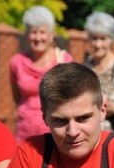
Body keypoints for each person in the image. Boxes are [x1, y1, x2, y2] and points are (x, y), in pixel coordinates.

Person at [10, 5, 73, 142]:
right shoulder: (17, 62)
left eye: (42, 32)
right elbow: (16, 97)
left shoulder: (64, 61)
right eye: (33, 32)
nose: (38, 37)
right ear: (26, 34)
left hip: (56, 133)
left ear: (51, 35)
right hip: (25, 132)